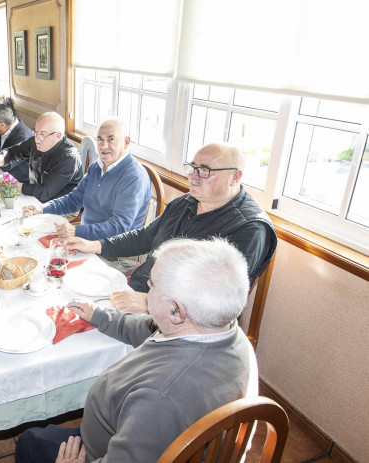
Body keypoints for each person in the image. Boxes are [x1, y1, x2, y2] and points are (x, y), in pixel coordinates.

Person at [15, 238, 257, 463]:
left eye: (152, 285)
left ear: (177, 311)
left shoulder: (160, 398)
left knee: (29, 441)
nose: (146, 288)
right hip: (146, 440)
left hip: (103, 452)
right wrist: (100, 315)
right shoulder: (220, 331)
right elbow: (149, 328)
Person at [67, 143, 278, 314]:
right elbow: (146, 237)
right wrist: (96, 245)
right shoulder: (185, 202)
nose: (193, 176)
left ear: (235, 177)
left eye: (204, 171)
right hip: (140, 291)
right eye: (192, 167)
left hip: (181, 323)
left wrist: (149, 302)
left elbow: (216, 297)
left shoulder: (250, 229)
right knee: (70, 300)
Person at [23, 119, 151, 242]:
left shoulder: (134, 177)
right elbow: (74, 200)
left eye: (111, 139)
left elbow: (118, 227)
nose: (104, 145)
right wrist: (42, 209)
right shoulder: (97, 166)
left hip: (114, 255)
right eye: (100, 139)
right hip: (85, 240)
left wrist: (76, 231)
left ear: (126, 142)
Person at [0, 112, 83, 203]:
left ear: (58, 136)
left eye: (42, 134)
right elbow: (13, 151)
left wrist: (12, 185)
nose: (37, 138)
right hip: (38, 193)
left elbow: (45, 193)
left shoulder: (69, 157)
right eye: (35, 132)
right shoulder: (36, 141)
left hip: (62, 203)